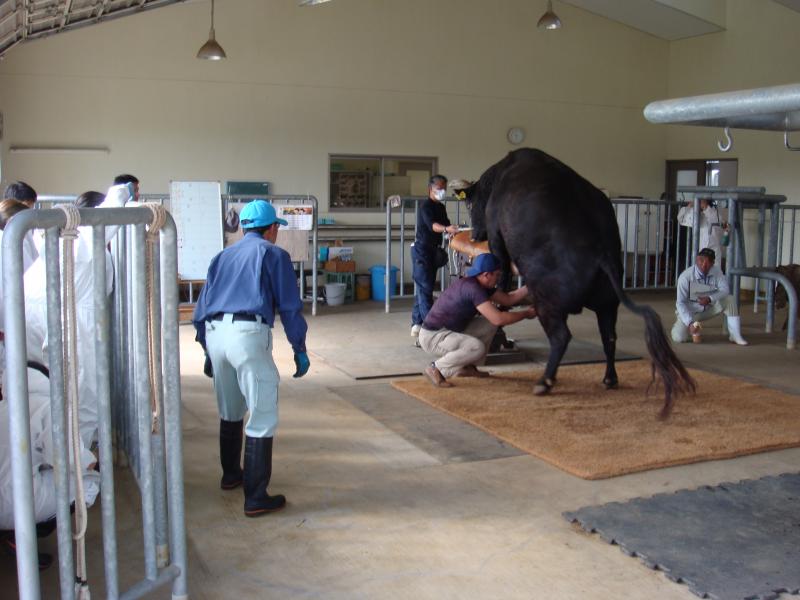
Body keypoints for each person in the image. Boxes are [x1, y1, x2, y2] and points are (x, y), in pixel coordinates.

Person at [193, 200, 309, 518]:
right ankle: (256, 496)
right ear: (272, 229)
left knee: (230, 410)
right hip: (247, 335)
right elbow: (288, 306)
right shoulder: (274, 254)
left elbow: (201, 309)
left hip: (215, 333)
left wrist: (206, 349)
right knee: (262, 415)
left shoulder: (221, 257)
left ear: (244, 228)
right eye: (276, 229)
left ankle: (231, 475)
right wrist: (299, 347)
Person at [23, 185, 129, 446]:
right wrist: (122, 192)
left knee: (54, 398)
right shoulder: (80, 245)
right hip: (71, 329)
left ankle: (66, 459)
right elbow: (107, 215)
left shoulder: (53, 248)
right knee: (84, 398)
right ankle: (79, 468)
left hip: (40, 331)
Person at [0, 364, 101, 569]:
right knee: (88, 483)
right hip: (12, 504)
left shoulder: (5, 406)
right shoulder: (46, 408)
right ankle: (21, 537)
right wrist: (94, 463)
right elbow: (68, 458)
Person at [418, 253, 537, 387]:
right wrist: (526, 314)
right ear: (486, 275)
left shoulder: (480, 284)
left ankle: (466, 368)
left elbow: (508, 299)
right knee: (476, 348)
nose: (498, 279)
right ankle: (435, 368)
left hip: (447, 331)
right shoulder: (473, 289)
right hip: (433, 337)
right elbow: (499, 319)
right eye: (497, 275)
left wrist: (532, 284)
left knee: (489, 324)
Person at [411, 175, 459, 344]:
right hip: (422, 251)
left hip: (433, 251)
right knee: (425, 289)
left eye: (444, 188)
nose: (442, 191)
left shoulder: (441, 207)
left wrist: (453, 230)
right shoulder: (425, 206)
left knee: (423, 288)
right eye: (439, 188)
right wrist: (446, 228)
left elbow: (446, 224)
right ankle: (430, 330)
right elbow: (433, 226)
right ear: (430, 189)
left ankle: (416, 325)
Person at [671, 247, 748, 346]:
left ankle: (735, 335)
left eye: (708, 262)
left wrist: (710, 299)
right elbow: (680, 303)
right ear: (697, 259)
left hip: (709, 309)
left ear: (712, 263)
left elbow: (725, 290)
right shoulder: (685, 277)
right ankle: (691, 327)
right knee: (679, 337)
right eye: (701, 260)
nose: (704, 265)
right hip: (690, 312)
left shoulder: (716, 272)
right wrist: (689, 323)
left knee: (730, 299)